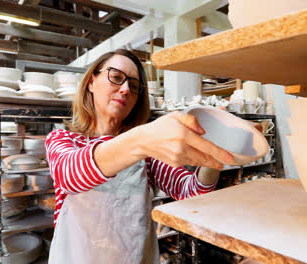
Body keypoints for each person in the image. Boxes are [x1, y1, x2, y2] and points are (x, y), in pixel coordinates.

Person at [45, 49, 235, 264]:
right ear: (91, 82)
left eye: (134, 86)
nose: (125, 89)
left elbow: (191, 190)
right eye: (116, 77)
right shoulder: (63, 140)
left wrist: (217, 152)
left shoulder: (146, 154)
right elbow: (69, 175)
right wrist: (140, 140)